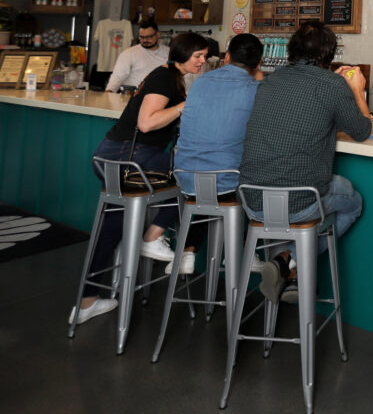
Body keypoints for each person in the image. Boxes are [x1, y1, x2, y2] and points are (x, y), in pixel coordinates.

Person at [71, 32, 209, 325]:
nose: (203, 61)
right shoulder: (163, 77)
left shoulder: (168, 77)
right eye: (198, 55)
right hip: (130, 159)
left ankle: (86, 302)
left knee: (111, 228)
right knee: (191, 174)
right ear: (182, 54)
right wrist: (185, 106)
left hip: (112, 158)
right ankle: (152, 237)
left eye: (205, 56)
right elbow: (147, 123)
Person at [238, 21, 372, 304]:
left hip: (251, 199)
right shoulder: (333, 84)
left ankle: (287, 263)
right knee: (355, 202)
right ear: (329, 53)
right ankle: (292, 262)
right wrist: (357, 89)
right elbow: (362, 131)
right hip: (301, 200)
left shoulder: (270, 80)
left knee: (295, 212)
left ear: (291, 50)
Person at [172, 33, 265, 275]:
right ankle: (245, 252)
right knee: (255, 175)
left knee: (213, 180)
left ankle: (189, 249)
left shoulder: (200, 81)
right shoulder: (257, 89)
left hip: (185, 178)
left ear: (226, 57)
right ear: (259, 63)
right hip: (226, 182)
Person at [105, 19, 168, 92]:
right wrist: (108, 93)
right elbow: (117, 77)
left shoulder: (169, 52)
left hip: (161, 95)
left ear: (158, 34)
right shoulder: (129, 53)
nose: (145, 40)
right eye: (141, 37)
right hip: (133, 94)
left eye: (149, 37)